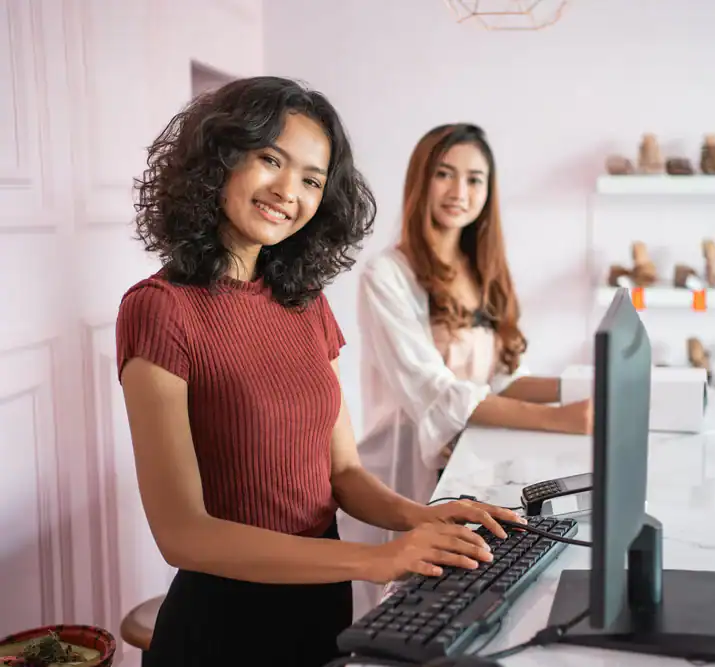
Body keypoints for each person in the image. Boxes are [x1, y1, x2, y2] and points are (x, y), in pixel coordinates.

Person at [115, 79, 521, 667]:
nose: (288, 191)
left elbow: (345, 472)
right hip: (223, 628)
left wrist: (422, 517)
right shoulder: (158, 308)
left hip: (322, 612)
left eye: (311, 178)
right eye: (270, 160)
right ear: (220, 160)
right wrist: (378, 560)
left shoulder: (305, 302)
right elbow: (183, 534)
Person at [340, 122, 592, 616]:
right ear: (421, 181)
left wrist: (581, 388)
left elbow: (497, 384)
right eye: (445, 174)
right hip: (403, 476)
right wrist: (562, 417)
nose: (460, 192)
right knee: (401, 608)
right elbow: (437, 392)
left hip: (465, 466)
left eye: (475, 179)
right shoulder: (386, 275)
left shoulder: (483, 272)